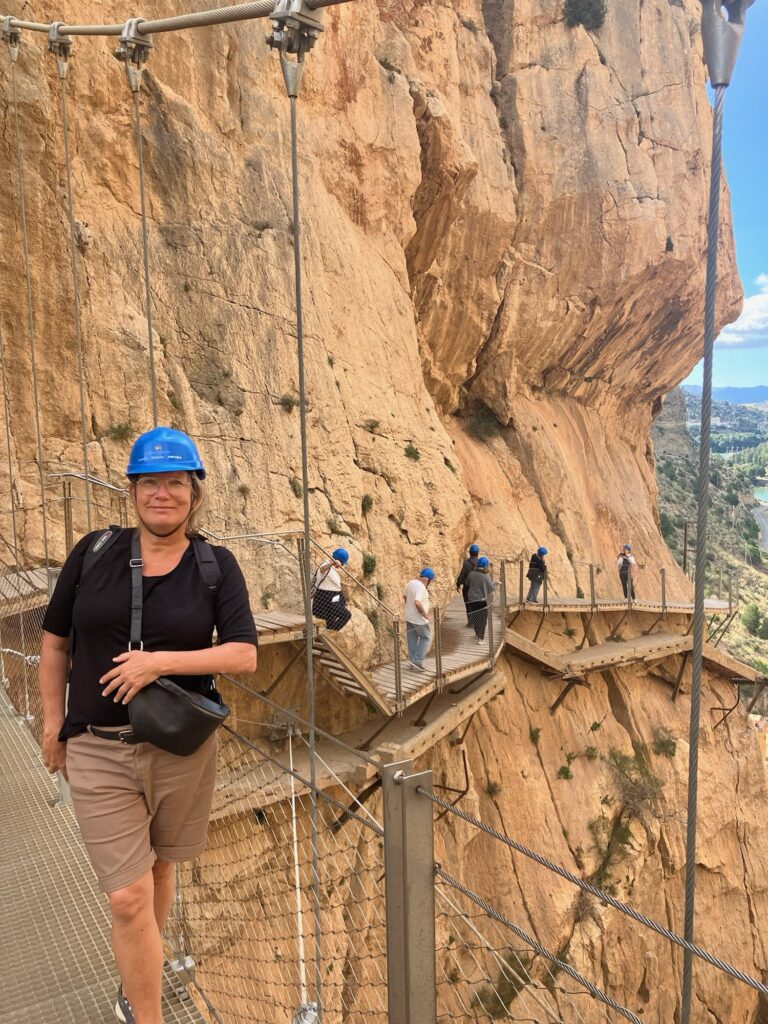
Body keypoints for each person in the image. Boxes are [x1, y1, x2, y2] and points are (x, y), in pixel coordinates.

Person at [38, 427, 258, 1024]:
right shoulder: (94, 553)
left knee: (161, 867)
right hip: (97, 748)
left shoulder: (216, 566)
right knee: (128, 896)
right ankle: (148, 1012)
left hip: (178, 750)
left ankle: (138, 978)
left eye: (176, 483)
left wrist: (159, 662)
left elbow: (243, 655)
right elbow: (55, 642)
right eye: (151, 483)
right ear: (133, 490)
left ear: (194, 492)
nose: (163, 494)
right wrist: (52, 723)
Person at [311, 547, 353, 631]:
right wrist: (332, 563)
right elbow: (322, 569)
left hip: (332, 600)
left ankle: (329, 631)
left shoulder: (333, 569)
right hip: (327, 600)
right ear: (340, 561)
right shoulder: (326, 564)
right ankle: (331, 632)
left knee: (331, 621)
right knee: (346, 615)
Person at [404, 567, 434, 670]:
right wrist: (425, 615)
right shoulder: (421, 587)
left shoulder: (411, 583)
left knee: (412, 639)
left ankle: (412, 661)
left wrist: (409, 608)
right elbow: (417, 602)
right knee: (426, 638)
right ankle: (417, 661)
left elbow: (405, 597)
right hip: (419, 619)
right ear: (428, 580)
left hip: (409, 616)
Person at [465, 556, 496, 644]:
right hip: (481, 600)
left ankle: (477, 634)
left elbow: (467, 583)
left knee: (475, 617)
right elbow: (491, 589)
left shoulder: (471, 574)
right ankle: (480, 638)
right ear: (486, 566)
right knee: (482, 619)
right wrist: (495, 584)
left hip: (471, 600)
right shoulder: (486, 577)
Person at [456, 543, 480, 626]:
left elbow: (462, 575)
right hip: (478, 589)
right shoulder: (481, 563)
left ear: (470, 553)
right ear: (478, 553)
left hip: (467, 588)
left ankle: (471, 622)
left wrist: (458, 584)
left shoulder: (466, 563)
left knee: (468, 605)